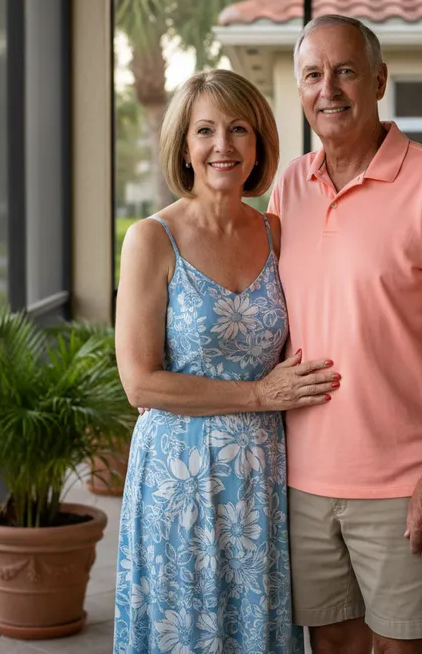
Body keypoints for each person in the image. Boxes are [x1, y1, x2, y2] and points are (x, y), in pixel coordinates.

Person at [268, 15, 422, 654]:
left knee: (401, 648)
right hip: (302, 480)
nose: (329, 89)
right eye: (313, 74)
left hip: (403, 483)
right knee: (332, 645)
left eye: (346, 71)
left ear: (380, 80)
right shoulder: (289, 186)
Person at [113, 68, 339, 653]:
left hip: (262, 478)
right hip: (176, 479)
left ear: (259, 141)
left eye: (238, 129)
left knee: (253, 631)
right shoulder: (150, 239)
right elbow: (140, 383)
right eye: (205, 130)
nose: (223, 146)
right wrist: (259, 395)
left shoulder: (276, 233)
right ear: (183, 147)